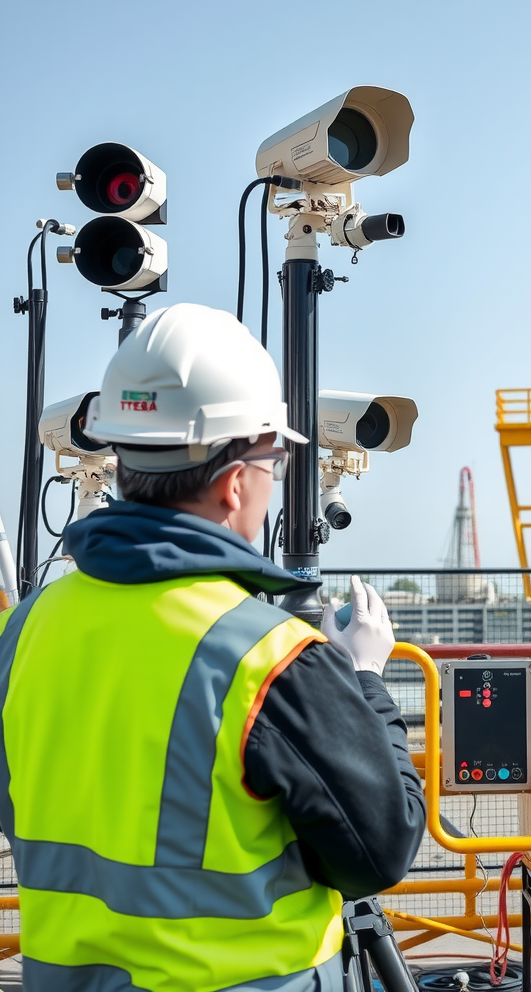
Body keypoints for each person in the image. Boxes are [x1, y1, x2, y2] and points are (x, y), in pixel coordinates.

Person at [0, 303, 425, 992]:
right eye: (273, 465)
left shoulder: (29, 626)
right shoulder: (269, 655)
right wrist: (365, 680)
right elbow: (381, 848)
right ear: (234, 483)